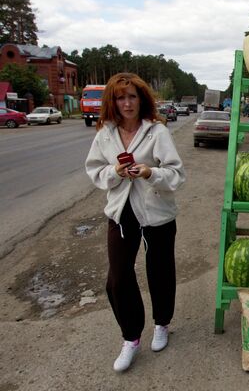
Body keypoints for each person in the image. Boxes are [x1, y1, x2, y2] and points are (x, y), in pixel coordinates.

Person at [85, 73, 186, 372]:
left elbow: (177, 175)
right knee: (117, 278)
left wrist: (149, 173)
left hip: (156, 212)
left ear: (141, 99)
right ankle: (131, 337)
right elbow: (94, 171)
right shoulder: (104, 133)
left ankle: (162, 323)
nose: (127, 103)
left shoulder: (157, 131)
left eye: (132, 96)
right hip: (121, 213)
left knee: (160, 271)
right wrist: (115, 172)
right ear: (112, 102)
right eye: (120, 97)